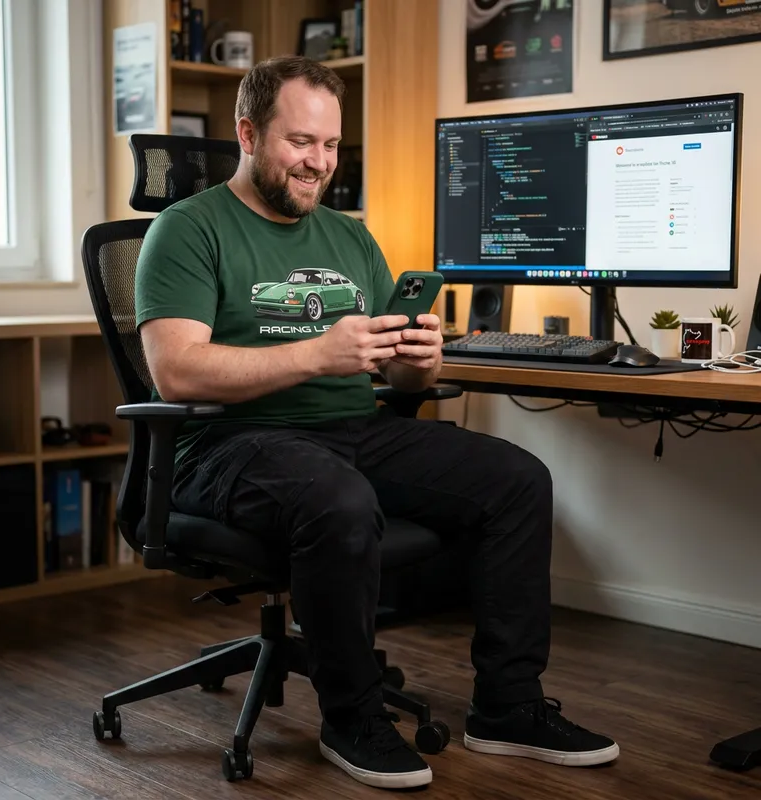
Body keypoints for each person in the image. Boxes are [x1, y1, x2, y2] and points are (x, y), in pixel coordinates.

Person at [134, 55, 619, 790]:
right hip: (229, 444)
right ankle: (353, 717)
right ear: (248, 133)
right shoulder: (186, 229)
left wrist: (418, 362)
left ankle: (508, 707)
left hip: (350, 431)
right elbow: (179, 371)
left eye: (330, 147)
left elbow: (393, 375)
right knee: (338, 498)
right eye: (301, 143)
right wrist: (317, 353)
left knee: (516, 479)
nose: (319, 163)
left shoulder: (351, 238)